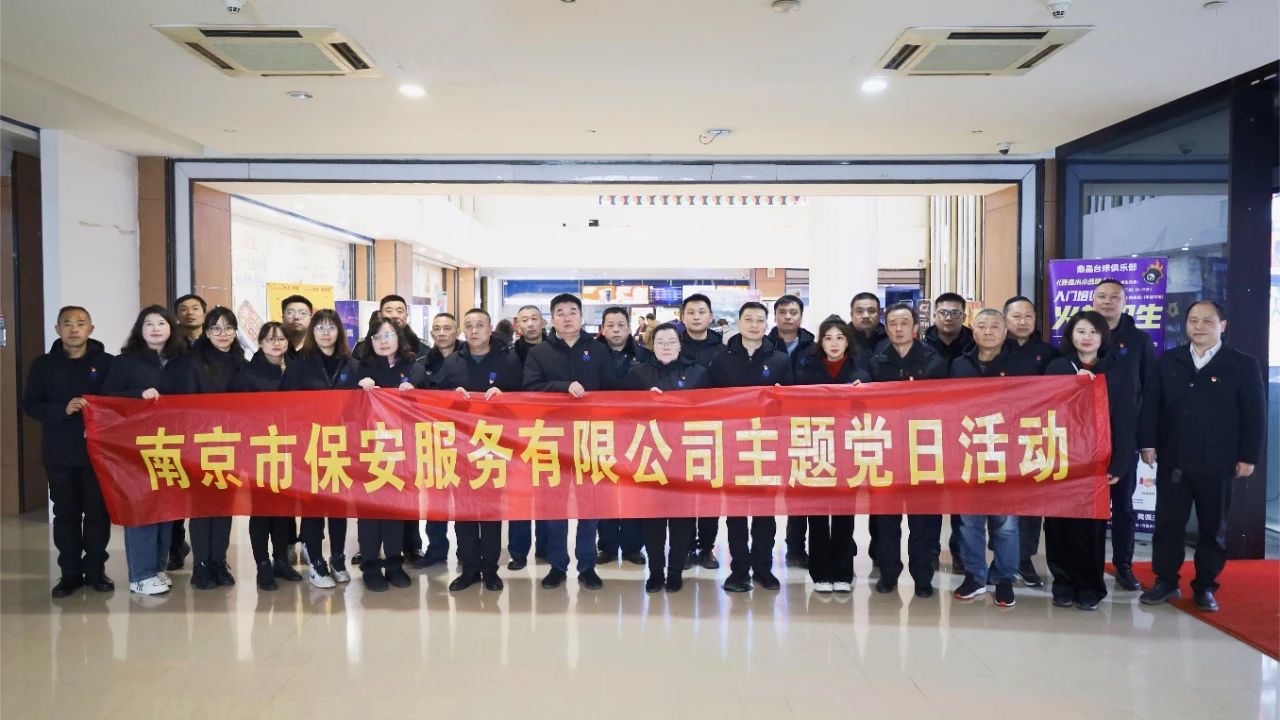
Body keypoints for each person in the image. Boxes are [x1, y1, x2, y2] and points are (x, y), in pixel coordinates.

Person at [1138, 301, 1265, 613]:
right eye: (1193, 320)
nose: (1198, 326)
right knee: (1168, 525)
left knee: (1212, 528)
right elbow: (1152, 405)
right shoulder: (1169, 360)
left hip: (1219, 463)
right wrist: (1147, 443)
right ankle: (1165, 580)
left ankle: (1205, 586)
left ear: (1223, 325)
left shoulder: (1242, 364)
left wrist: (1248, 456)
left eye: (1207, 321)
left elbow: (1255, 415)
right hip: (1174, 459)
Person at [1044, 310, 1137, 611]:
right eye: (1081, 331)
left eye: (1093, 332)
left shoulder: (1117, 370)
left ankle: (1090, 587)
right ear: (1071, 335)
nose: (1087, 337)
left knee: (1090, 527)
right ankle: (1062, 584)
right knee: (1057, 524)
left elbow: (1125, 419)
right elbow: (1042, 409)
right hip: (1060, 457)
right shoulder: (1057, 368)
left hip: (1097, 460)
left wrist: (1120, 463)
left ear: (1103, 337)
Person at [23, 306, 115, 598]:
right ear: (57, 329)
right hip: (60, 453)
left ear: (91, 328)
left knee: (97, 513)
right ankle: (70, 574)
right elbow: (31, 404)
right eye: (67, 323)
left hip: (98, 454)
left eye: (80, 323)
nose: (74, 329)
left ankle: (96, 571)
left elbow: (119, 402)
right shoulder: (43, 365)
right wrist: (62, 409)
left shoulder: (108, 363)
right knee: (66, 514)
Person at [522, 293, 610, 590]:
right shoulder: (539, 353)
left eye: (573, 312)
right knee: (555, 506)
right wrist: (563, 387)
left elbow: (614, 390)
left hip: (590, 439)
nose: (567, 317)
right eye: (560, 312)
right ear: (552, 319)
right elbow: (530, 388)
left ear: (581, 317)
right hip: (553, 439)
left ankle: (587, 565)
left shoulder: (598, 350)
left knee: (589, 506)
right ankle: (557, 565)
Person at [437, 308, 523, 593]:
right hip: (460, 448)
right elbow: (433, 397)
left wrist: (505, 397)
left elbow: (525, 399)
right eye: (469, 326)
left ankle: (490, 569)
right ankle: (469, 568)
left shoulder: (509, 360)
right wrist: (450, 398)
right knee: (464, 510)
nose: (474, 331)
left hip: (494, 446)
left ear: (490, 329)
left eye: (479, 325)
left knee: (490, 511)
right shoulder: (453, 361)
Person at [102, 305, 187, 595]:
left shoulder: (181, 361)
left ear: (171, 328)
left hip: (173, 445)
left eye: (161, 323)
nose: (155, 328)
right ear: (140, 329)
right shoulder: (125, 362)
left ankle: (158, 567)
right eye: (148, 323)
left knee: (167, 509)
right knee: (142, 508)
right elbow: (108, 398)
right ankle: (140, 574)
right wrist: (138, 395)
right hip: (136, 447)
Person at [710, 301, 794, 593]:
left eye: (760, 320)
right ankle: (738, 570)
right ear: (739, 322)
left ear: (766, 324)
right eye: (749, 319)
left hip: (767, 446)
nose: (754, 325)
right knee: (735, 513)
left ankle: (763, 568)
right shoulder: (721, 359)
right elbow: (707, 401)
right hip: (732, 445)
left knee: (764, 512)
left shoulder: (780, 359)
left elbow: (792, 403)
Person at [162, 306, 247, 590]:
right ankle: (200, 565)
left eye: (228, 328)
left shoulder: (241, 362)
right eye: (216, 328)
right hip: (200, 446)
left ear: (235, 332)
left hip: (231, 446)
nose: (223, 334)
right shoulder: (191, 363)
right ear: (207, 332)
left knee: (224, 507)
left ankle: (218, 561)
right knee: (201, 508)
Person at [868, 302, 947, 598]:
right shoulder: (876, 361)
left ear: (915, 328)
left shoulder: (934, 361)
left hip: (924, 451)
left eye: (904, 323)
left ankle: (922, 577)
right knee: (886, 520)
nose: (898, 328)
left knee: (923, 520)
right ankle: (889, 574)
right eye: (893, 323)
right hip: (887, 451)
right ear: (886, 328)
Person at [624, 322, 710, 593]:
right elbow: (622, 412)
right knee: (653, 519)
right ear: (652, 345)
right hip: (650, 456)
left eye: (671, 341)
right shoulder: (637, 373)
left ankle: (675, 571)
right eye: (660, 342)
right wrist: (645, 403)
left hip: (685, 456)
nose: (666, 346)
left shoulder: (698, 373)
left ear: (680, 344)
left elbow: (711, 410)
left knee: (683, 519)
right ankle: (655, 572)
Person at [949, 309, 1021, 608]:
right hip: (969, 451)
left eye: (995, 326)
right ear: (973, 330)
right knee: (969, 521)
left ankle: (1004, 578)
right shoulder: (959, 365)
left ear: (1005, 330)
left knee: (1006, 523)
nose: (988, 331)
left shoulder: (1020, 364)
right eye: (982, 326)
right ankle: (975, 575)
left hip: (1008, 453)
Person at [793, 315, 870, 593]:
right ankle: (820, 572)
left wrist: (864, 394)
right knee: (816, 513)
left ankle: (843, 571)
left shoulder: (861, 373)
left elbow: (871, 412)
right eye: (828, 338)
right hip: (815, 447)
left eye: (839, 338)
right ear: (820, 342)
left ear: (848, 342)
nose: (834, 343)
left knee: (843, 513)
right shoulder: (806, 371)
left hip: (847, 450)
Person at [282, 308, 359, 585]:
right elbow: (286, 406)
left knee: (338, 506)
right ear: (312, 332)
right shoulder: (300, 365)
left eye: (331, 327)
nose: (326, 333)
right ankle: (316, 561)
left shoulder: (352, 365)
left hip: (341, 446)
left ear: (340, 332)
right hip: (310, 445)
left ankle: (337, 558)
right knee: (313, 507)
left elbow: (360, 407)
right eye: (320, 327)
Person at [230, 321, 308, 591]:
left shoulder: (296, 369)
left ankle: (281, 561)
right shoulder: (248, 374)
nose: (277, 344)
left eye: (281, 339)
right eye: (270, 339)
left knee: (284, 509)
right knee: (262, 510)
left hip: (290, 448)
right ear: (260, 342)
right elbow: (237, 414)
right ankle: (262, 565)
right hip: (259, 450)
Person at [1088, 279, 1155, 593]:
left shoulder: (1139, 340)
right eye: (1101, 296)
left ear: (1125, 302)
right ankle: (1090, 564)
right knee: (1090, 506)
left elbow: (1150, 391)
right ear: (1092, 300)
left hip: (1125, 438)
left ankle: (1123, 565)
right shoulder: (1084, 333)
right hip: (1087, 439)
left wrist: (1147, 440)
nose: (1107, 301)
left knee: (1124, 505)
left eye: (1114, 297)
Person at [353, 317, 427, 592]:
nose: (383, 341)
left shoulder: (415, 369)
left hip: (402, 449)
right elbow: (344, 407)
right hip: (369, 449)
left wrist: (414, 393)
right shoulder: (361, 368)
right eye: (377, 336)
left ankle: (395, 564)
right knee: (370, 510)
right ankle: (371, 565)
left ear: (399, 338)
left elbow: (431, 405)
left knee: (396, 508)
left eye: (389, 335)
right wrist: (359, 389)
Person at [1002, 296, 1060, 588]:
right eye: (1016, 316)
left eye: (1028, 316)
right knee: (1001, 500)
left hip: (1034, 436)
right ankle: (1002, 559)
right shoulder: (993, 350)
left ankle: (1025, 558)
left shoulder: (1048, 353)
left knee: (1031, 502)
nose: (1022, 322)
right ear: (1005, 319)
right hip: (998, 434)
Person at [924, 292, 975, 574]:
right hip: (930, 432)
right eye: (943, 312)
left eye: (955, 313)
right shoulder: (921, 346)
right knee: (931, 495)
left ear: (963, 316)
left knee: (961, 495)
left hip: (966, 429)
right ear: (934, 316)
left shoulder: (975, 344)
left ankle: (959, 551)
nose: (948, 318)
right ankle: (931, 550)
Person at [595, 306, 649, 566]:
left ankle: (632, 547)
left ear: (629, 328)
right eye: (610, 325)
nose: (616, 330)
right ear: (602, 329)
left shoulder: (645, 356)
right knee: (604, 490)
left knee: (634, 490)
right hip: (601, 431)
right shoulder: (590, 355)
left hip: (635, 433)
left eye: (621, 325)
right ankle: (606, 546)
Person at [411, 312, 463, 570]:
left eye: (447, 328)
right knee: (436, 497)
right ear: (431, 333)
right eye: (437, 329)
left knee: (466, 495)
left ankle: (467, 551)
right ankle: (436, 549)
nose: (442, 333)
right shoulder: (420, 363)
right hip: (433, 438)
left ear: (457, 331)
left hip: (466, 437)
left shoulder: (468, 358)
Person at [768, 294, 816, 570]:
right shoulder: (764, 345)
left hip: (805, 426)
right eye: (783, 312)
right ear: (775, 316)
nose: (788, 316)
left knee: (801, 489)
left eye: (793, 312)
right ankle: (764, 550)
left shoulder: (814, 347)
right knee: (767, 490)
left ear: (800, 316)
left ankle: (796, 548)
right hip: (771, 428)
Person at [679, 293, 725, 570]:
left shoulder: (723, 349)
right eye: (691, 312)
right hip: (678, 430)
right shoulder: (672, 344)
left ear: (710, 316)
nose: (696, 317)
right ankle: (684, 548)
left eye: (701, 312)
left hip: (713, 430)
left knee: (709, 493)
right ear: (682, 317)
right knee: (683, 492)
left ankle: (706, 548)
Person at [507, 305, 550, 571]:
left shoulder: (555, 352)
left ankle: (545, 547)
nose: (530, 324)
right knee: (520, 495)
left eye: (535, 319)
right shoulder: (508, 356)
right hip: (517, 433)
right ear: (517, 325)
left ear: (543, 322)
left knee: (547, 492)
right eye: (525, 320)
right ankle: (518, 552)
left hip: (548, 431)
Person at [169, 293, 207, 570]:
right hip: (176, 428)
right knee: (175, 490)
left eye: (195, 308)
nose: (190, 313)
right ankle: (175, 545)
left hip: (209, 432)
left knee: (205, 492)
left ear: (204, 313)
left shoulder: (217, 342)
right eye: (183, 309)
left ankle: (208, 552)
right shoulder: (169, 345)